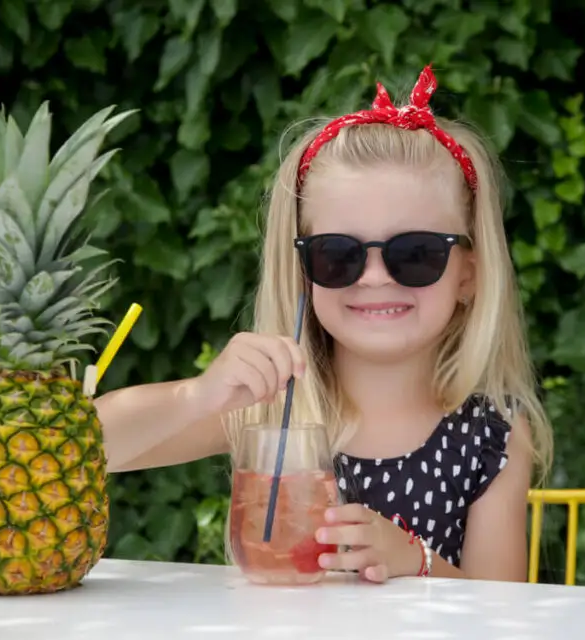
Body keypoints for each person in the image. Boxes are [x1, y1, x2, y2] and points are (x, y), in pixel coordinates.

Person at [96, 64, 553, 584]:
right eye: (338, 255)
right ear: (303, 272)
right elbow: (83, 448)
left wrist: (415, 562)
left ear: (468, 274)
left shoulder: (491, 437)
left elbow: (505, 617)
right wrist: (197, 396)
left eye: (416, 253)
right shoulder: (272, 406)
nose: (376, 278)